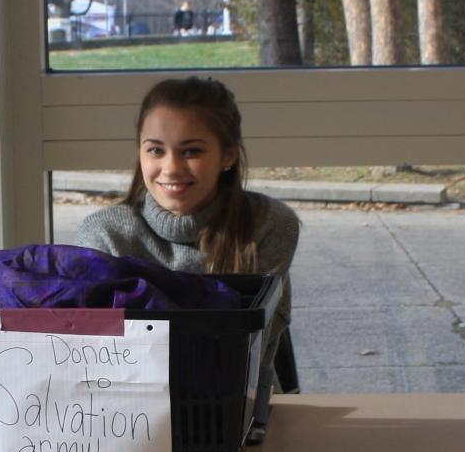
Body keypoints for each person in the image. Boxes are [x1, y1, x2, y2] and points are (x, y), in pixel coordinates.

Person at [73, 76, 300, 386]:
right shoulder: (103, 234)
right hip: (129, 416)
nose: (171, 168)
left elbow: (246, 359)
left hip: (239, 415)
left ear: (229, 155)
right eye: (155, 150)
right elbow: (100, 363)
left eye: (191, 151)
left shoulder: (269, 225)